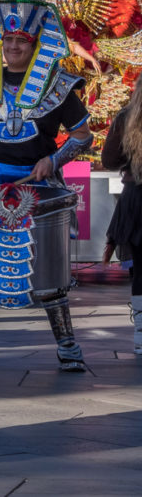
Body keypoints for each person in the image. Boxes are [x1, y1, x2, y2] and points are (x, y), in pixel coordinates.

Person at [0, 0, 93, 373]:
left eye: (22, 42)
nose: (14, 47)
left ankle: (68, 348)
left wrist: (55, 159)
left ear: (34, 45)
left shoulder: (59, 88)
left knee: (48, 272)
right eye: (8, 41)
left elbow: (83, 136)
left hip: (41, 193)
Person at [101, 76, 142, 353]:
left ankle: (141, 336)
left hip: (136, 200)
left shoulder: (126, 117)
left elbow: (109, 160)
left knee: (141, 271)